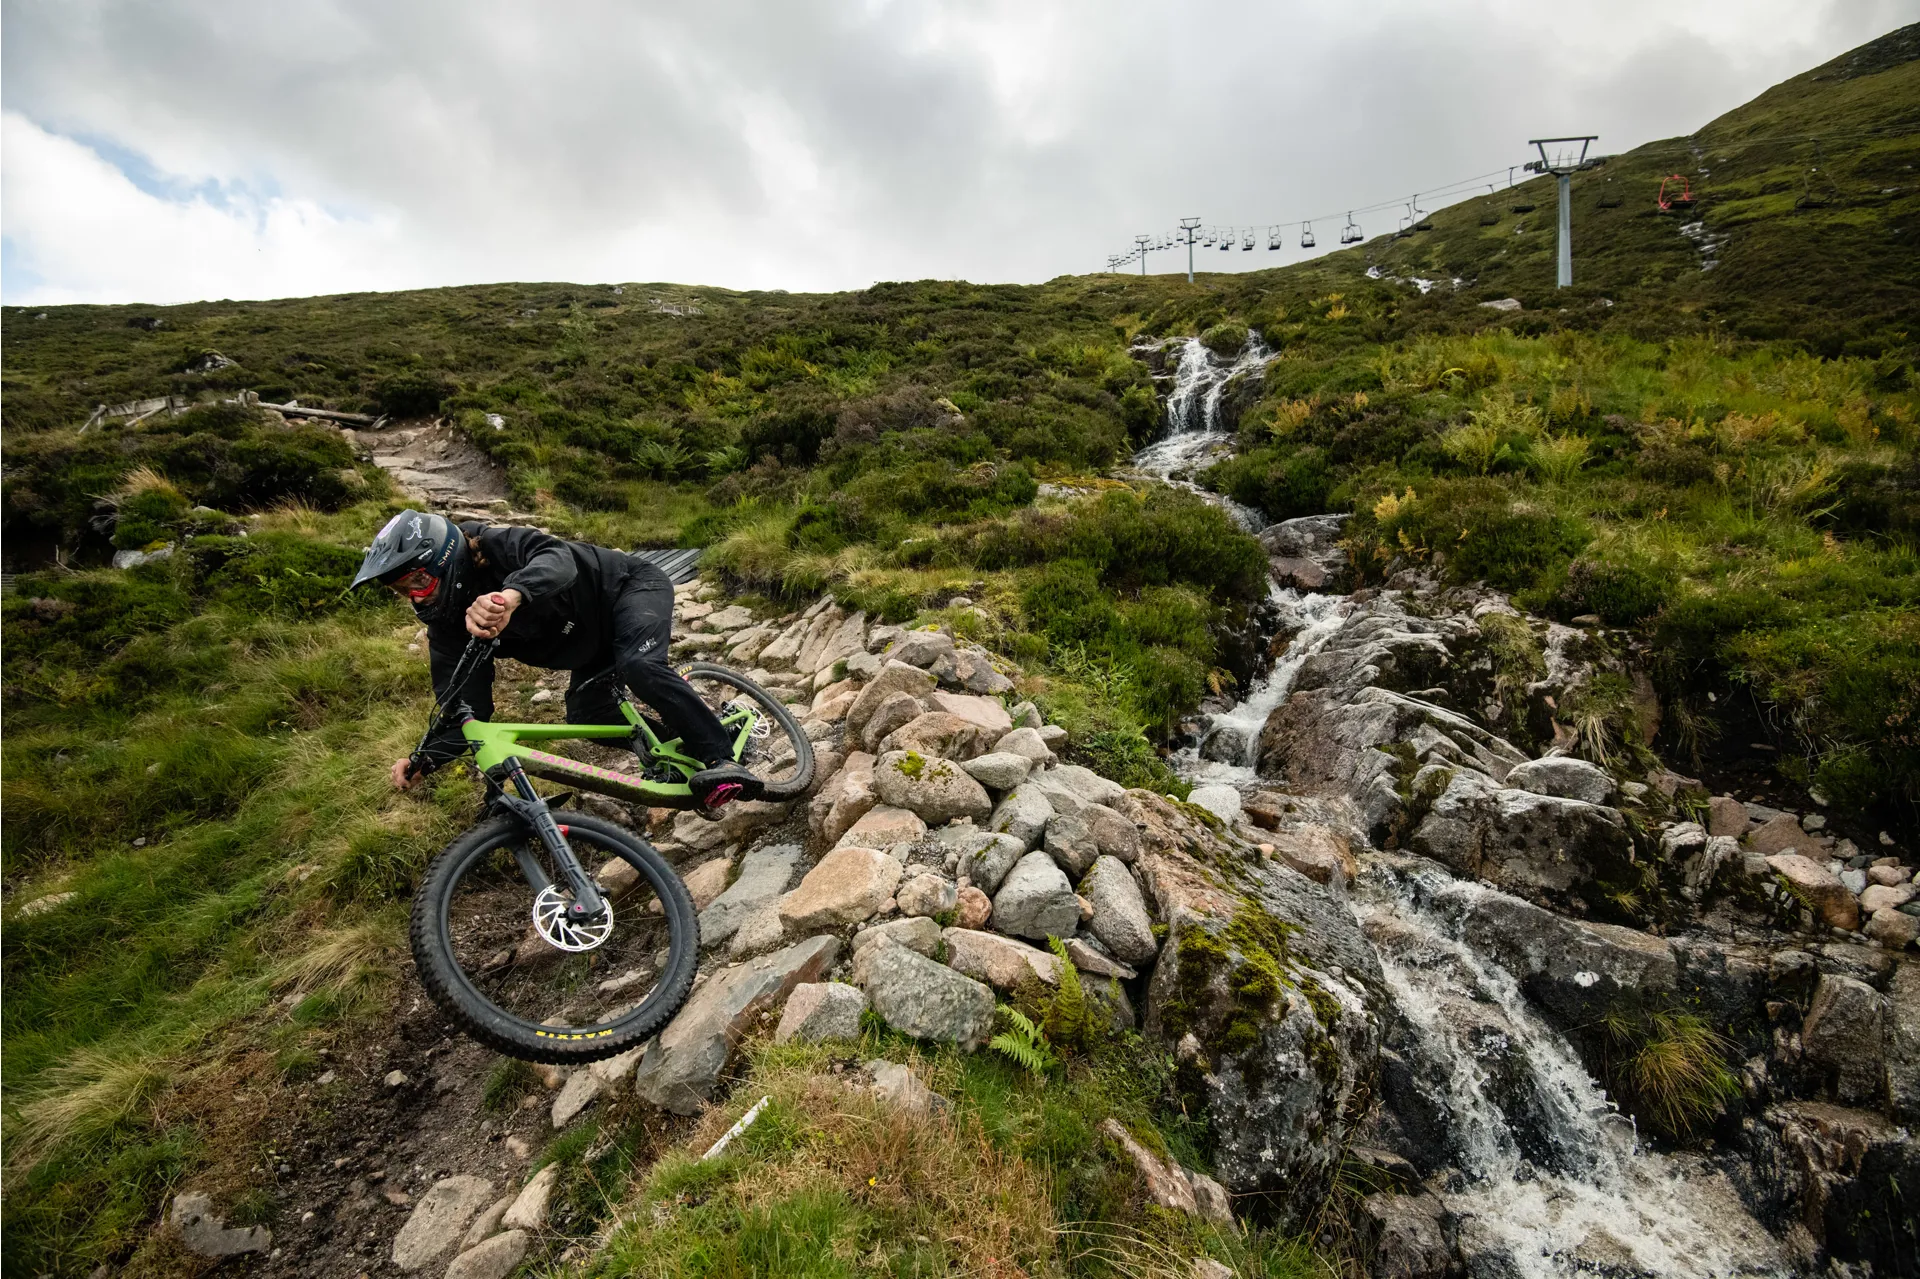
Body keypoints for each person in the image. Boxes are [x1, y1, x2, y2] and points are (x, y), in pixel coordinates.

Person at [350, 509, 757, 811]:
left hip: (628, 589)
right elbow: (463, 705)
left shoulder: (496, 545)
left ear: (445, 557)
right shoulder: (448, 626)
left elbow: (557, 559)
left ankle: (720, 757)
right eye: (403, 589)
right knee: (588, 716)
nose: (416, 596)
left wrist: (511, 596)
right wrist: (427, 759)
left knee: (640, 666)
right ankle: (680, 744)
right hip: (590, 646)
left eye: (419, 580)